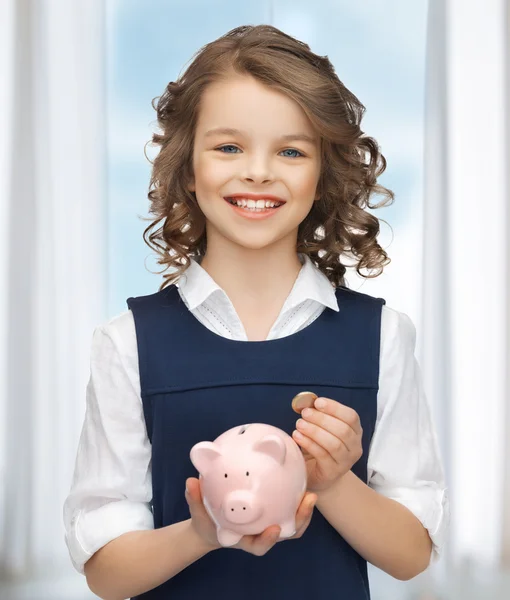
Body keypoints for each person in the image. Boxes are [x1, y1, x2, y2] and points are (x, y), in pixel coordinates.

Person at [63, 24, 449, 600]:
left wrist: (335, 482)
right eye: (228, 147)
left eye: (291, 151)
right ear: (187, 168)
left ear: (322, 175)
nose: (259, 172)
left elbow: (411, 554)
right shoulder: (127, 344)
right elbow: (106, 574)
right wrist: (204, 530)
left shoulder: (382, 337)